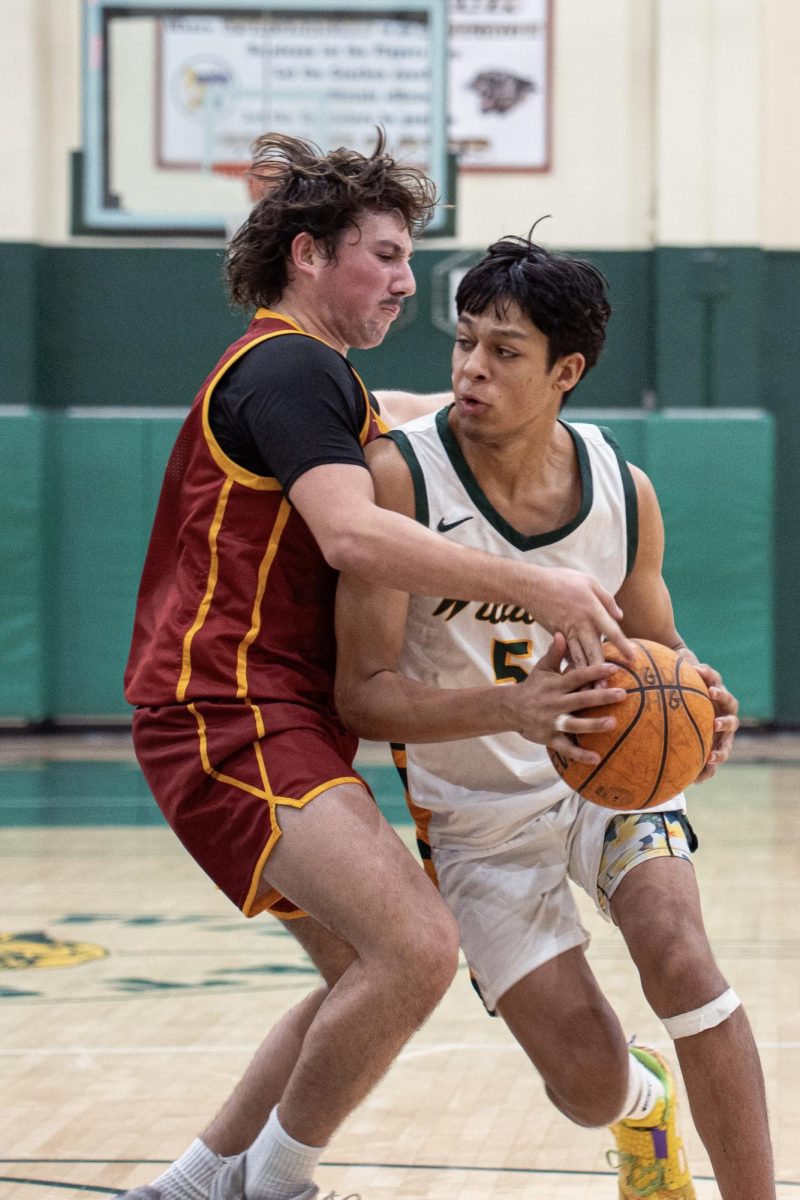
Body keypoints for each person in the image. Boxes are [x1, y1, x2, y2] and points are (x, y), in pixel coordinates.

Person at [120, 135, 633, 1200]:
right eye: (386, 255)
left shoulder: (314, 379)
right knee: (414, 945)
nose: (406, 280)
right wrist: (536, 584)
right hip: (228, 709)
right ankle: (274, 1185)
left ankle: (194, 1185)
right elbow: (351, 535)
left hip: (264, 714)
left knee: (369, 968)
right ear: (308, 256)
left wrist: (545, 439)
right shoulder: (288, 365)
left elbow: (426, 419)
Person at [334, 235, 775, 1199]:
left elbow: (659, 655)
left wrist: (701, 703)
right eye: (463, 344)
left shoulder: (624, 490)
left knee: (683, 960)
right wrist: (513, 708)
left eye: (504, 351)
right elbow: (359, 695)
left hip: (607, 787)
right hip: (476, 819)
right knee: (586, 1084)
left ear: (566, 370)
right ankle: (639, 1107)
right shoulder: (402, 479)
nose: (470, 370)